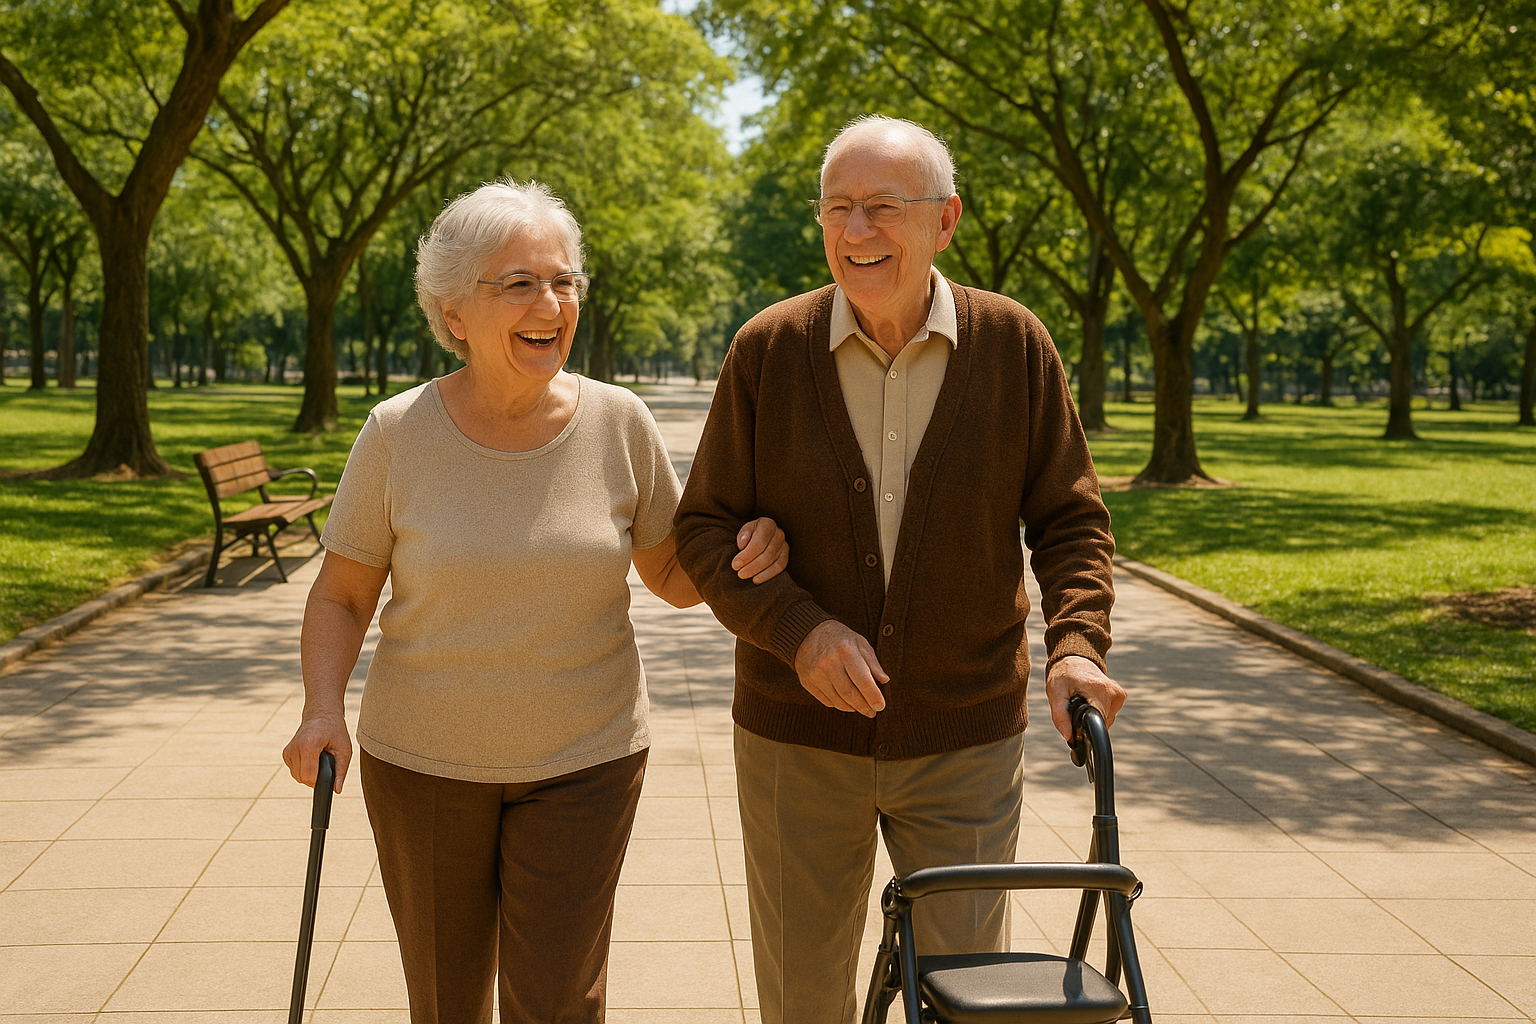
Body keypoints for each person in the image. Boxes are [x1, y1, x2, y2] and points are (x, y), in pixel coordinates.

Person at [281, 179, 790, 1024]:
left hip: (585, 762)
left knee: (558, 1000)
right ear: (453, 314)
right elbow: (340, 596)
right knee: (445, 1001)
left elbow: (671, 578)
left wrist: (745, 552)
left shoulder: (619, 424)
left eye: (564, 281)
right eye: (517, 283)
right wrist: (320, 709)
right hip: (424, 763)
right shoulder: (397, 433)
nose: (550, 302)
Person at [673, 115, 1127, 1024]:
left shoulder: (1015, 346)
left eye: (883, 207)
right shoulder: (767, 347)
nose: (856, 232)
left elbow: (1072, 521)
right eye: (837, 208)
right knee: (803, 998)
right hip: (796, 741)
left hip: (964, 735)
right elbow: (704, 530)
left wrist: (1077, 645)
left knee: (967, 1000)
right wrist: (799, 632)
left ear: (945, 220)